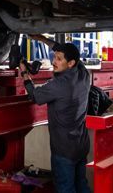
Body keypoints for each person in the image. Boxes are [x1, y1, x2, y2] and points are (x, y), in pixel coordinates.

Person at [19, 34, 91, 193]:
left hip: (64, 150)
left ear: (70, 63)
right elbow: (63, 49)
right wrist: (41, 38)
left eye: (59, 59)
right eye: (54, 57)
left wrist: (24, 73)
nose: (53, 62)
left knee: (66, 188)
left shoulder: (59, 85)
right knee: (81, 184)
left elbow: (35, 96)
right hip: (81, 145)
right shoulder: (84, 73)